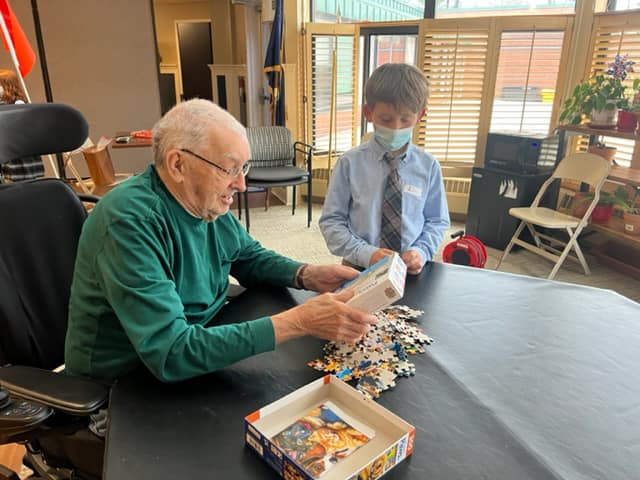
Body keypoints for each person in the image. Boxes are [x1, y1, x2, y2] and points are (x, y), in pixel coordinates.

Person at [64, 98, 377, 385]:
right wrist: (299, 321)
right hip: (127, 386)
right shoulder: (128, 222)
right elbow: (171, 352)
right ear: (177, 165)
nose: (241, 184)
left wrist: (306, 273)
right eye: (229, 168)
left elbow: (248, 257)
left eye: (244, 167)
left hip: (198, 344)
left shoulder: (205, 201)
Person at [319, 63, 450, 275]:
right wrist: (366, 253)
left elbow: (437, 220)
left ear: (420, 116)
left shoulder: (428, 166)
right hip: (359, 266)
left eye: (405, 119)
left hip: (411, 270)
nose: (395, 127)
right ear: (368, 113)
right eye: (386, 119)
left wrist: (422, 251)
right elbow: (332, 221)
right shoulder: (349, 163)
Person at [0, 69, 45, 181]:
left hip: (22, 155)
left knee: (25, 182)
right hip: (9, 153)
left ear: (7, 86)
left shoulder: (18, 104)